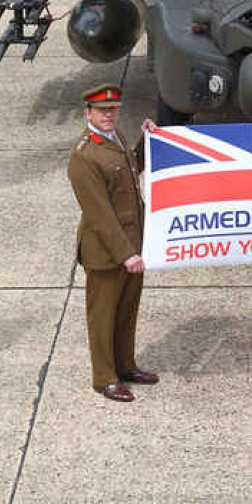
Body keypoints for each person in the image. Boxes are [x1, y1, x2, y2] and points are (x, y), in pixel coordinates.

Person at [67, 83, 159, 402]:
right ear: (88, 113)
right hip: (107, 252)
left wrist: (146, 141)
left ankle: (125, 365)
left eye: (114, 110)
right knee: (103, 316)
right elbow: (100, 214)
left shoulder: (113, 138)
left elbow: (130, 170)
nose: (109, 115)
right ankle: (104, 377)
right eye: (102, 111)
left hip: (132, 244)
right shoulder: (84, 155)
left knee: (126, 311)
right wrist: (126, 254)